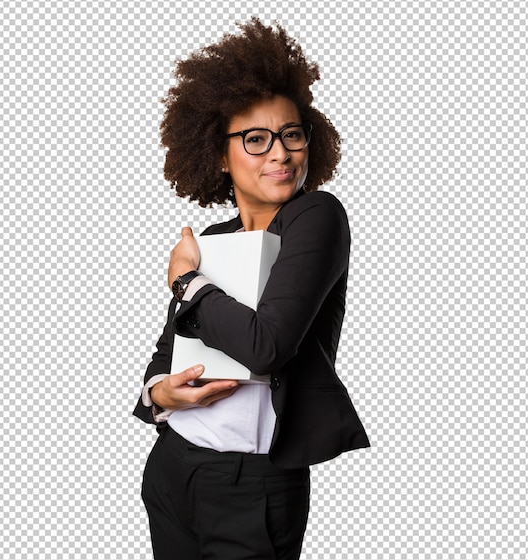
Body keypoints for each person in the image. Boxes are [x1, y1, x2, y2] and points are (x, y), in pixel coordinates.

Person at [133, 18, 370, 560]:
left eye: (291, 134)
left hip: (252, 483)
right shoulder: (214, 240)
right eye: (256, 139)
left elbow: (268, 345)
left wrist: (187, 283)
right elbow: (167, 352)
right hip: (174, 465)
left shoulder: (316, 217)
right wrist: (159, 396)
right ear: (221, 155)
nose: (280, 153)